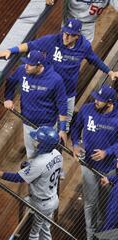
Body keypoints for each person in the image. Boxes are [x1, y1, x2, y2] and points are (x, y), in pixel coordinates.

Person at [0, 18, 118, 131]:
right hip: (50, 94)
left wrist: (109, 71)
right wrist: (10, 50)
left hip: (68, 93)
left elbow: (94, 59)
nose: (66, 37)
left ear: (77, 36)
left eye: (70, 35)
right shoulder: (52, 40)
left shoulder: (83, 46)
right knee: (48, 125)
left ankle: (57, 150)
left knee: (64, 127)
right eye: (65, 33)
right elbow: (29, 46)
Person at [0, 126, 63, 240]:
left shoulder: (39, 163)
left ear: (43, 145)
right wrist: (31, 168)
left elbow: (17, 178)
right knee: (45, 231)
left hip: (41, 204)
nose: (34, 141)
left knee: (33, 234)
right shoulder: (57, 154)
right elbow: (47, 170)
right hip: (52, 199)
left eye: (37, 140)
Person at [71, 84, 118, 239]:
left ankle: (103, 233)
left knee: (106, 204)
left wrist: (107, 152)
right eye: (96, 97)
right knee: (90, 203)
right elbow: (76, 127)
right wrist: (76, 144)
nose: (96, 101)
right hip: (89, 165)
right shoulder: (87, 109)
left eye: (100, 100)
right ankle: (90, 235)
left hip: (110, 169)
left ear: (110, 102)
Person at [4, 50, 68, 159]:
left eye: (30, 64)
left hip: (47, 125)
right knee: (31, 154)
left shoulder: (55, 79)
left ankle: (56, 173)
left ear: (39, 66)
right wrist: (8, 98)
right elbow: (10, 83)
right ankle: (33, 173)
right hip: (27, 122)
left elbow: (62, 104)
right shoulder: (21, 71)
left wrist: (62, 129)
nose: (26, 66)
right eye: (26, 63)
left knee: (50, 155)